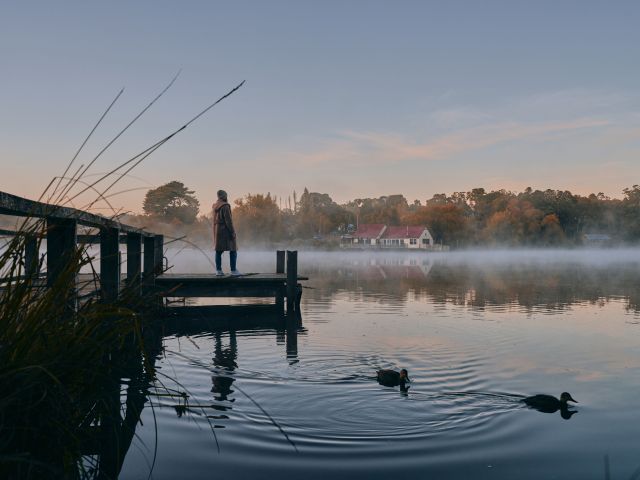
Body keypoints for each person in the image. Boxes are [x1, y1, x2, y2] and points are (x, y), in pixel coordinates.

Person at [212, 190, 241, 276]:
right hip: (226, 231)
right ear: (223, 196)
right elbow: (228, 221)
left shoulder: (214, 206)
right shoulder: (225, 206)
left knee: (218, 251)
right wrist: (232, 232)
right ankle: (233, 270)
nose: (227, 197)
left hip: (218, 231)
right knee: (233, 250)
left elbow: (214, 221)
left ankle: (218, 270)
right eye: (226, 195)